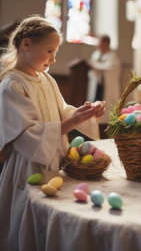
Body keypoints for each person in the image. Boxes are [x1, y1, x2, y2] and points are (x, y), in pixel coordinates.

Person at [0, 16, 105, 250]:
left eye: (55, 51)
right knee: (27, 221)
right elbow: (28, 134)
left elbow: (62, 110)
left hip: (52, 161)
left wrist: (84, 112)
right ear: (26, 44)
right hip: (28, 166)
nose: (53, 59)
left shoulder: (47, 79)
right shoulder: (11, 85)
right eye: (49, 50)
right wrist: (72, 121)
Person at [87, 35, 121, 123]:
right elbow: (92, 69)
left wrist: (97, 66)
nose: (99, 46)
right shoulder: (95, 54)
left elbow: (111, 69)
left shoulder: (112, 56)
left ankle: (104, 125)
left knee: (107, 107)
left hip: (107, 86)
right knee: (95, 105)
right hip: (96, 84)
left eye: (102, 44)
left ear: (107, 44)